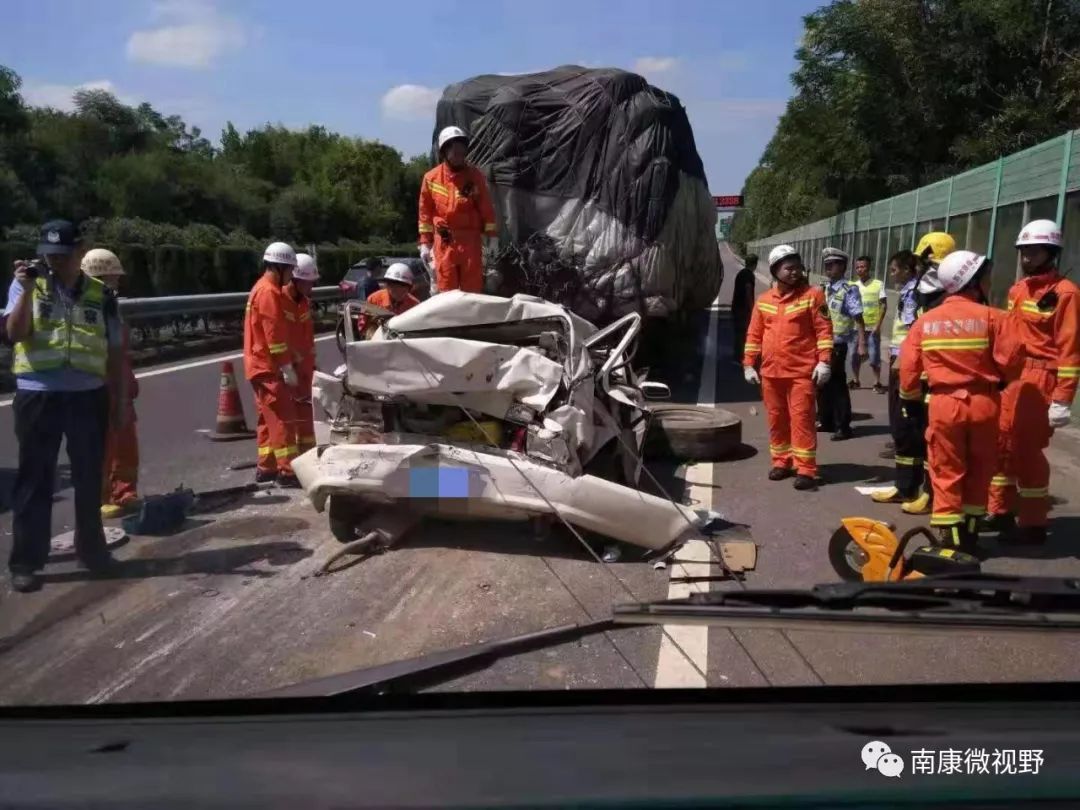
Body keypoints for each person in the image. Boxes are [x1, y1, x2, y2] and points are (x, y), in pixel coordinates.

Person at [4, 221, 125, 592]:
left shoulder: (101, 295)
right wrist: (24, 291)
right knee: (35, 478)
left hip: (87, 396)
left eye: (61, 255)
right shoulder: (27, 284)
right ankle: (26, 561)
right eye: (49, 254)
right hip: (38, 394)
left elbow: (115, 351)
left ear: (79, 252)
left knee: (90, 478)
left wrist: (119, 403)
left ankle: (92, 552)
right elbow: (14, 333)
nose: (53, 261)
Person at [899, 250, 1020, 550]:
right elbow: (1013, 360)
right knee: (980, 470)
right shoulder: (995, 318)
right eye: (987, 278)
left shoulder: (926, 322)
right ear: (973, 282)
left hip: (943, 405)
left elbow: (909, 370)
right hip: (985, 403)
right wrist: (1000, 379)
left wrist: (910, 401)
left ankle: (950, 541)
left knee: (946, 471)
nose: (991, 283)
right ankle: (970, 534)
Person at [984, 220, 1080, 544]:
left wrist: (1063, 398)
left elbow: (1070, 347)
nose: (1027, 258)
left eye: (1034, 251)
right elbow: (1009, 336)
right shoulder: (1017, 290)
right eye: (1024, 251)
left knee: (1027, 452)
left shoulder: (1066, 294)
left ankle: (1033, 523)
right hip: (1012, 377)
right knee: (1001, 447)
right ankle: (1000, 511)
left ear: (1051, 252)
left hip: (1042, 379)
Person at [742, 244, 833, 492]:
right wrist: (749, 364)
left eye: (797, 267)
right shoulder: (763, 301)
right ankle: (782, 462)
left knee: (802, 420)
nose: (795, 272)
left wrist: (824, 361)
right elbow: (754, 334)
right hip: (771, 373)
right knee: (776, 419)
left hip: (801, 372)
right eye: (788, 268)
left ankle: (806, 469)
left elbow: (824, 331)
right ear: (775, 271)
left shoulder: (813, 296)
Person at [81, 248, 140, 519]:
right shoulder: (85, 310)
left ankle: (125, 493)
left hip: (119, 386)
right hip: (99, 386)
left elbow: (120, 350)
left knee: (125, 444)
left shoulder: (110, 306)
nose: (116, 284)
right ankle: (102, 498)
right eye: (112, 279)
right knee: (103, 446)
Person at [244, 242, 301, 487]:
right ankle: (287, 471)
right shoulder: (269, 292)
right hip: (269, 367)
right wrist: (287, 367)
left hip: (257, 365)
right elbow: (274, 336)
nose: (291, 277)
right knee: (282, 420)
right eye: (289, 271)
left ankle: (266, 467)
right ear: (279, 267)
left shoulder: (259, 288)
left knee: (266, 420)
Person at [418, 126, 497, 294]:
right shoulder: (431, 178)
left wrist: (493, 238)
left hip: (471, 242)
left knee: (472, 291)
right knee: (446, 291)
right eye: (454, 151)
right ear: (444, 152)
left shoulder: (475, 176)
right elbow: (424, 214)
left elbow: (486, 208)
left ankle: (473, 320)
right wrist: (425, 243)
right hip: (444, 242)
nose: (458, 155)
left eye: (461, 151)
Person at [818, 247, 867, 441]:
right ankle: (826, 420)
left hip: (838, 344)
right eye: (827, 265)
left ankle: (843, 426)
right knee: (821, 384)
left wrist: (862, 343)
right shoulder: (824, 288)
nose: (829, 268)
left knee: (837, 385)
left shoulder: (849, 289)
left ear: (843, 267)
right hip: (822, 343)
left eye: (833, 265)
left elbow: (859, 318)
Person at [287, 252, 319, 455]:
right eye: (307, 283)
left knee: (307, 411)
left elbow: (308, 336)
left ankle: (308, 452)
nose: (311, 288)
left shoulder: (304, 302)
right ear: (295, 279)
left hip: (305, 367)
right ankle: (288, 460)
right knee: (289, 413)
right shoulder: (279, 301)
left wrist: (312, 363)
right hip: (289, 367)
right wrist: (286, 365)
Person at [850, 255, 887, 393]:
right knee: (854, 355)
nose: (860, 269)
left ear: (869, 268)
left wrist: (878, 326)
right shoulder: (853, 286)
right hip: (856, 328)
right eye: (858, 267)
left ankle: (877, 382)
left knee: (874, 356)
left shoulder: (878, 284)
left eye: (863, 266)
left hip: (872, 328)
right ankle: (855, 380)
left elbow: (884, 306)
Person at [357, 262, 420, 335]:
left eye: (402, 286)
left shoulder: (414, 305)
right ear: (387, 285)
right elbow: (362, 328)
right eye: (393, 285)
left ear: (409, 288)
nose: (398, 290)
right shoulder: (373, 300)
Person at [731, 253, 758, 363]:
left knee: (739, 332)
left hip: (736, 306)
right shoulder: (749, 275)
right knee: (744, 333)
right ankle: (741, 356)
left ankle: (737, 355)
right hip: (743, 308)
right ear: (754, 264)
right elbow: (748, 290)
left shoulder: (741, 273)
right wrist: (752, 308)